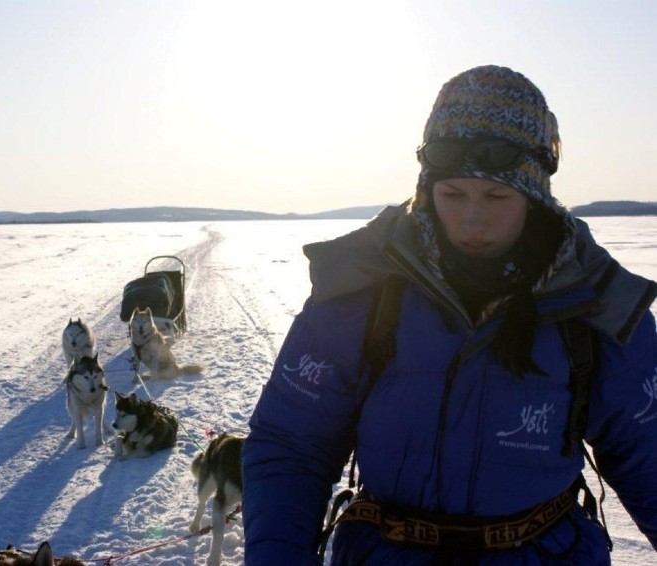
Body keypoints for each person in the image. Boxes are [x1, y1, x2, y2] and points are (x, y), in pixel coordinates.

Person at [242, 65, 657, 565]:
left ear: (536, 194)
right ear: (427, 187)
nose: (472, 220)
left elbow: (647, 455)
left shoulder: (595, 298)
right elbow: (291, 446)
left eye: (498, 196)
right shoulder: (365, 285)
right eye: (452, 194)